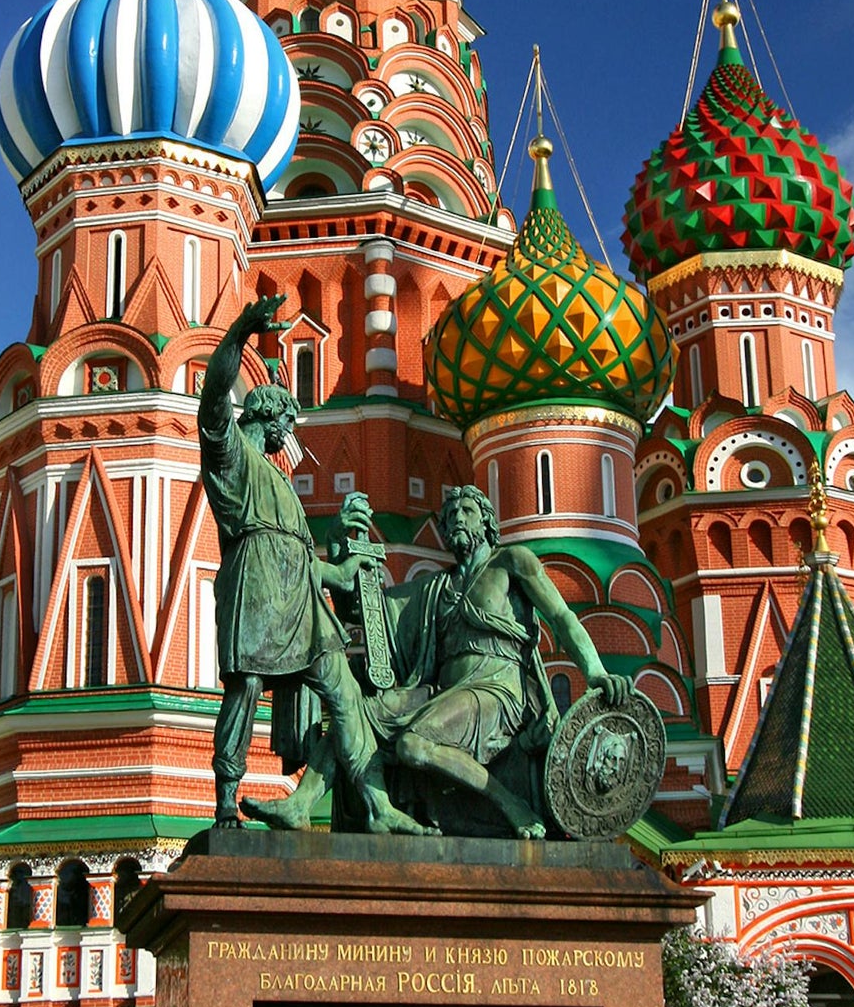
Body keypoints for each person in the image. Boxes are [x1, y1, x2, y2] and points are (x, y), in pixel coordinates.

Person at [199, 292, 424, 832]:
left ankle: (376, 803)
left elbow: (301, 557)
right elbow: (212, 398)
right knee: (246, 686)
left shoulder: (279, 480)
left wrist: (340, 573)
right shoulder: (231, 455)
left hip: (301, 601)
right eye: (288, 423)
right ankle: (227, 799)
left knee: (343, 690)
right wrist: (239, 335)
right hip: (255, 586)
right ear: (269, 417)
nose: (290, 434)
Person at [379, 485, 631, 838]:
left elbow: (561, 616)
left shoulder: (511, 562)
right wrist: (347, 545)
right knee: (364, 712)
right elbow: (376, 609)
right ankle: (343, 810)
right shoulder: (439, 586)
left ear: (487, 520)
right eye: (450, 515)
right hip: (443, 691)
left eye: (467, 510)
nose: (457, 519)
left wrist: (595, 671)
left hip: (496, 690)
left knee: (412, 745)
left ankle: (510, 803)